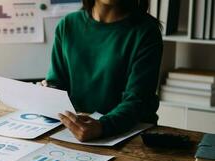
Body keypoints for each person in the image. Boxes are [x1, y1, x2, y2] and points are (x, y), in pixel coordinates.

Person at [42, 0, 163, 142]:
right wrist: (48, 93)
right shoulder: (68, 24)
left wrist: (102, 126)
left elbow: (137, 100)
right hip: (76, 131)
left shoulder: (146, 31)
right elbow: (57, 82)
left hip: (131, 135)